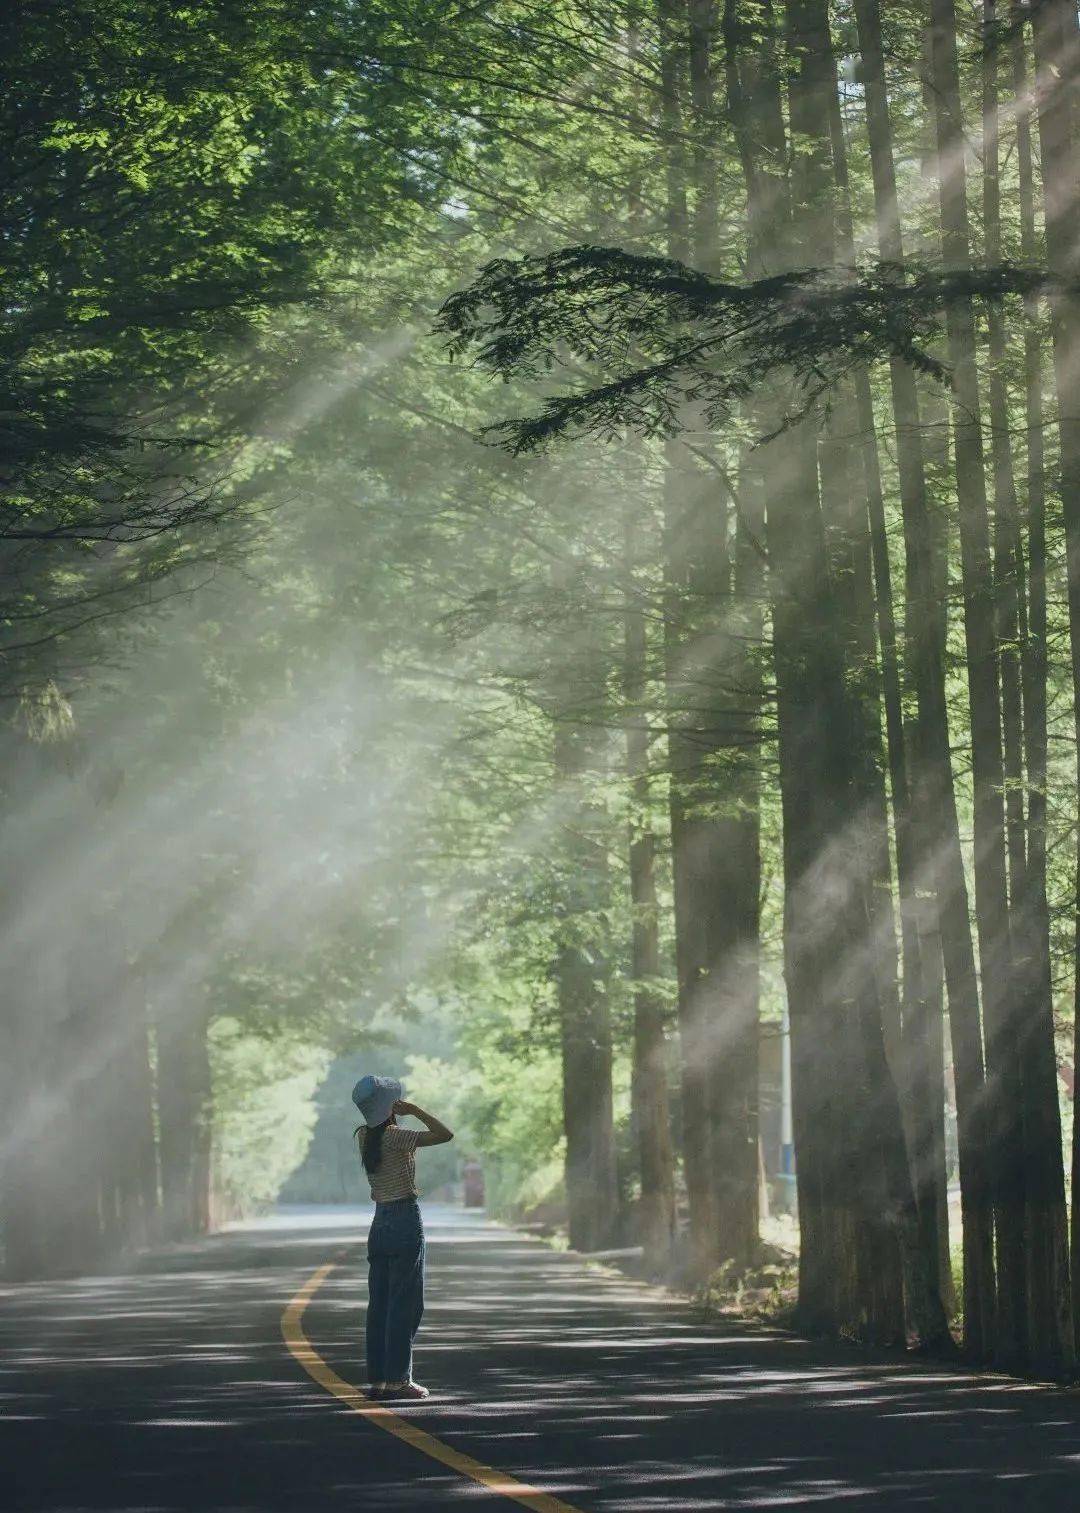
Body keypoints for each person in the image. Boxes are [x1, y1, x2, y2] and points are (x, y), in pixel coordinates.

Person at [352, 1074, 453, 1401]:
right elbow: (444, 1135)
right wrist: (417, 1110)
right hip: (404, 1219)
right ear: (390, 1105)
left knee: (379, 1303)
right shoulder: (397, 1137)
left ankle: (379, 1380)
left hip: (379, 1222)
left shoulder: (364, 1136)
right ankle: (400, 1380)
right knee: (405, 1303)